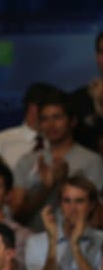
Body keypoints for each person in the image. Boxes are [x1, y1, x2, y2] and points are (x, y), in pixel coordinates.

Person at [11, 89, 103, 225]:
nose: (50, 125)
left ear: (73, 121)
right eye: (44, 119)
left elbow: (98, 219)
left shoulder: (92, 160)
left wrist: (64, 181)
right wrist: (46, 188)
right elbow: (17, 217)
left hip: (81, 240)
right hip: (35, 241)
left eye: (57, 117)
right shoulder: (27, 161)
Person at [25, 176, 103, 270]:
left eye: (79, 201)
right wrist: (52, 243)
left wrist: (75, 247)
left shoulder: (100, 240)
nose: (72, 208)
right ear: (60, 205)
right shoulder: (36, 242)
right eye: (67, 201)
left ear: (91, 206)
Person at [0, 82, 55, 170]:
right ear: (32, 107)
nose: (49, 114)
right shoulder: (1, 141)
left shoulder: (59, 142)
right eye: (47, 108)